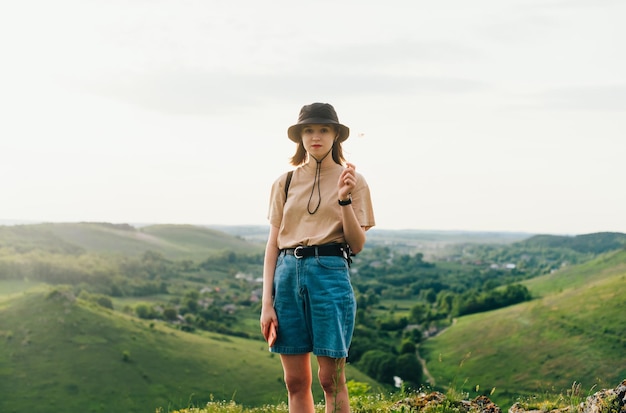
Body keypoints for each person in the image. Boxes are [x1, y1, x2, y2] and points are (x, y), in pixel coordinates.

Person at [260, 102, 375, 413]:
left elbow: (358, 243)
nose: (315, 136)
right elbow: (273, 244)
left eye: (323, 129)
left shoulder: (353, 179)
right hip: (286, 273)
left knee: (331, 379)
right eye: (308, 130)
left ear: (336, 134)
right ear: (299, 136)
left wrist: (344, 200)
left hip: (329, 271)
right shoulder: (284, 182)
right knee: (295, 381)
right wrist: (266, 304)